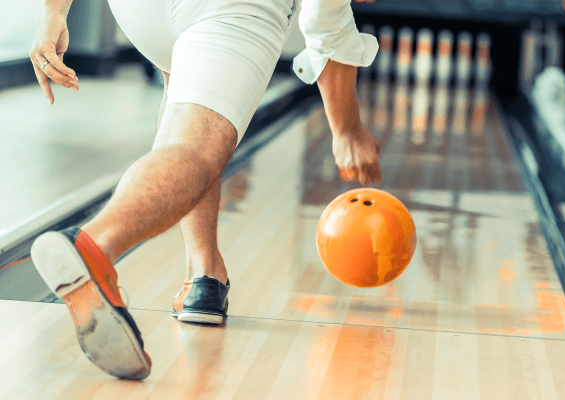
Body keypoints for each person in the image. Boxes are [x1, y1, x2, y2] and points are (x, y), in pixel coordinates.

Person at [28, 0, 381, 380]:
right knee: (195, 146)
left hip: (136, 12)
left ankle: (205, 274)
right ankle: (94, 245)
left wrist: (54, 11)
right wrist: (347, 128)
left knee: (192, 117)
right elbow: (322, 17)